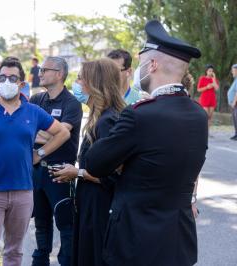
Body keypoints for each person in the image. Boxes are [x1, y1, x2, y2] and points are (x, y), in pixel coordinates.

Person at [84, 20, 208, 266]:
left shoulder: (139, 114)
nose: (138, 70)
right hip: (178, 242)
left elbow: (94, 163)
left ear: (152, 65)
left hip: (136, 243)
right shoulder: (198, 114)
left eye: (140, 64)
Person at [0, 58, 70, 266]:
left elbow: (62, 133)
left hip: (23, 191)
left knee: (14, 251)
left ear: (21, 83)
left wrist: (40, 153)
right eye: (2, 77)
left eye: (12, 78)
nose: (7, 81)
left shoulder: (33, 111)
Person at [53, 58, 125, 266]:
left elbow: (112, 175)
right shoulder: (99, 118)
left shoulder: (107, 122)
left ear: (95, 83)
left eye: (80, 78)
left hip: (100, 208)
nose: (76, 83)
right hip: (90, 205)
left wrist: (77, 173)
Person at [29, 56, 83, 266]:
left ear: (59, 74)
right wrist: (52, 134)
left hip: (61, 172)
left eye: (45, 70)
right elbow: (29, 130)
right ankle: (40, 261)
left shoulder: (72, 104)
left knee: (65, 224)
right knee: (41, 223)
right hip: (37, 173)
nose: (40, 73)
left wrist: (44, 138)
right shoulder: (36, 100)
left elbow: (63, 134)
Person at [197, 64, 219, 128]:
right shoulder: (202, 78)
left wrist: (214, 79)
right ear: (206, 71)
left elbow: (217, 89)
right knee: (205, 116)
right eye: (209, 71)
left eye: (212, 71)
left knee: (210, 117)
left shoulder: (214, 80)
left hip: (212, 99)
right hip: (204, 99)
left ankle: (208, 132)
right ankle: (203, 130)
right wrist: (207, 87)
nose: (211, 72)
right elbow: (198, 90)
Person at [227, 64, 237, 140]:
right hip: (234, 104)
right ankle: (236, 134)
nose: (232, 72)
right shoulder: (235, 80)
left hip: (235, 103)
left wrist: (234, 102)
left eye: (233, 70)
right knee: (234, 119)